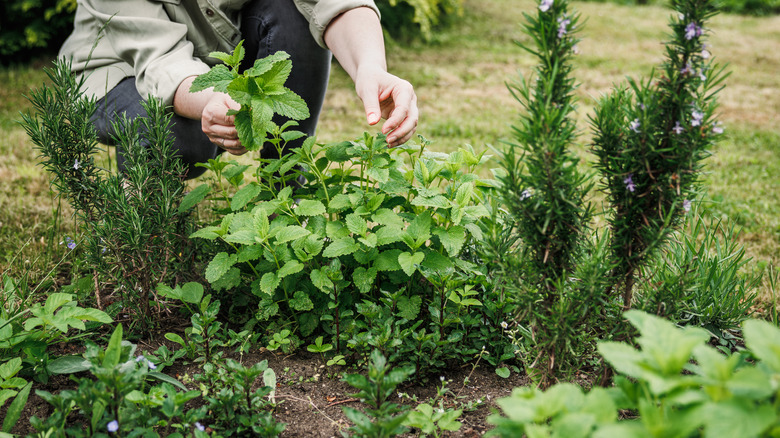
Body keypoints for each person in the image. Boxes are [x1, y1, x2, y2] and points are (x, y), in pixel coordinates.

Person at [59, 0, 419, 179]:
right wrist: (213, 101)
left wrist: (370, 65)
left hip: (220, 52)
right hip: (117, 70)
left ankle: (286, 195)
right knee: (179, 132)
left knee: (294, 12)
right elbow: (160, 62)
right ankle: (143, 224)